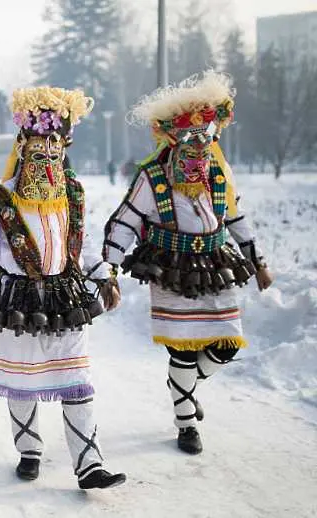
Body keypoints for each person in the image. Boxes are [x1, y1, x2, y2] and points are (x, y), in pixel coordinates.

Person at [0, 86, 126, 489]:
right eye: (37, 149)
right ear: (22, 147)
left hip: (67, 298)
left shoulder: (74, 195)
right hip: (17, 299)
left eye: (54, 149)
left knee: (76, 380)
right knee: (22, 380)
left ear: (64, 150)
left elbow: (81, 245)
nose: (46, 158)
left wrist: (103, 275)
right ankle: (29, 450)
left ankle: (89, 465)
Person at [102, 71, 274, 454]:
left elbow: (235, 217)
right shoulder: (152, 177)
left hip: (216, 263)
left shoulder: (219, 174)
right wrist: (108, 271)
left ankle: (184, 386)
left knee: (227, 343)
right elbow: (124, 221)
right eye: (190, 139)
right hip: (171, 265)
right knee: (181, 348)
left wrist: (257, 260)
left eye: (205, 138)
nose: (198, 147)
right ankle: (186, 424)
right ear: (173, 139)